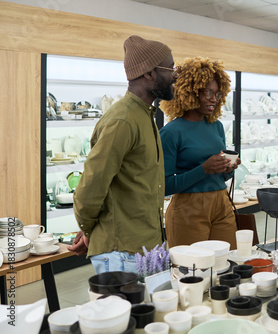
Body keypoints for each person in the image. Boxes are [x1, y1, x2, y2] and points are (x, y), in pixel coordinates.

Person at [69, 35, 177, 273]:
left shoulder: (143, 115)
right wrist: (90, 230)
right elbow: (89, 188)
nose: (175, 74)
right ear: (149, 73)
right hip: (123, 254)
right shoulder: (123, 120)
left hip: (145, 248)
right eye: (170, 67)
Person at [159, 56, 239, 249]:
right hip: (188, 208)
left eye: (218, 94)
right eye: (208, 93)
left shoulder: (216, 126)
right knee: (193, 271)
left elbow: (223, 176)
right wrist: (204, 169)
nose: (214, 99)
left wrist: (228, 167)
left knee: (229, 263)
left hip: (222, 203)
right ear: (191, 92)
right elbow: (165, 186)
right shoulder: (170, 132)